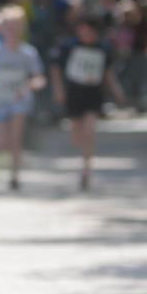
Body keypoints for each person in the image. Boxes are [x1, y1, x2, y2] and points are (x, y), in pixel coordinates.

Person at [51, 14, 127, 191]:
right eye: (81, 30)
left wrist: (117, 92)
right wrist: (58, 89)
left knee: (89, 132)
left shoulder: (103, 49)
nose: (84, 34)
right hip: (74, 94)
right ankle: (82, 155)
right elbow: (55, 68)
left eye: (88, 30)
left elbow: (108, 73)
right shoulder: (69, 46)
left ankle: (86, 170)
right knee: (77, 136)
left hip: (93, 96)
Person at [0, 6, 45, 190]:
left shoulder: (28, 53)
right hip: (1, 101)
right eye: (9, 26)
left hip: (20, 101)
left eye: (16, 25)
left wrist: (27, 87)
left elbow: (39, 77)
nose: (12, 30)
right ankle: (15, 162)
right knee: (3, 142)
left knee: (16, 137)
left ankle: (14, 175)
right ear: (2, 29)